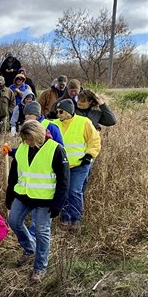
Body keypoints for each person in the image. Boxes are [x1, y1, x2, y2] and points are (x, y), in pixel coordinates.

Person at [6, 121, 69, 283]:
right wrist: (9, 198)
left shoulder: (56, 149)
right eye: (25, 139)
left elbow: (64, 181)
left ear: (38, 135)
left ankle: (40, 267)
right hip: (24, 195)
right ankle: (30, 248)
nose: (27, 142)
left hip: (45, 199)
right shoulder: (22, 148)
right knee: (13, 221)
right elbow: (14, 174)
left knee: (42, 231)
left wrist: (58, 205)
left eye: (30, 139)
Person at [52, 99, 100, 232]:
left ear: (68, 112)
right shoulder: (54, 124)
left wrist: (89, 155)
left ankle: (75, 219)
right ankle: (65, 219)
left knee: (74, 191)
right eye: (57, 111)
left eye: (61, 112)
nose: (58, 114)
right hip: (62, 166)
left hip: (80, 164)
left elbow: (94, 140)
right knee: (63, 191)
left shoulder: (84, 122)